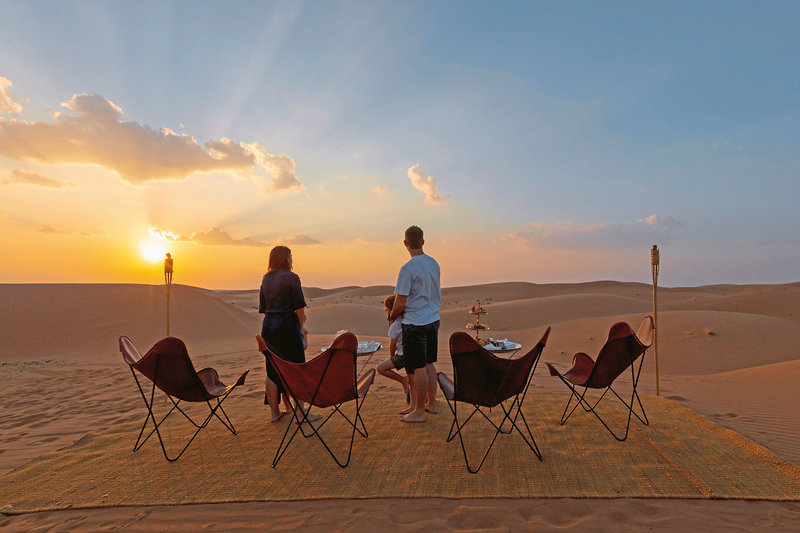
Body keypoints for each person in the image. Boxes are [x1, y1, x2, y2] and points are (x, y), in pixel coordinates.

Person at [258, 246, 321, 424]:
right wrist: (300, 327)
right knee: (297, 368)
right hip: (286, 326)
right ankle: (300, 414)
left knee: (272, 370)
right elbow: (299, 307)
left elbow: (263, 307)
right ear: (286, 258)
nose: (292, 259)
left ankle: (275, 413)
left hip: (268, 327)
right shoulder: (292, 277)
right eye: (290, 256)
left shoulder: (266, 278)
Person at [389, 225, 441, 423]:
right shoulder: (434, 263)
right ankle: (431, 404)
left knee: (418, 367)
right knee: (429, 364)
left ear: (405, 243)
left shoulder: (407, 269)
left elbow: (399, 301)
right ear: (423, 241)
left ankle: (419, 411)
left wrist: (392, 316)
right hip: (433, 320)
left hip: (415, 323)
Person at [376, 295, 412, 407]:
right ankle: (413, 396)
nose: (385, 310)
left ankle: (403, 380)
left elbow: (392, 345)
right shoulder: (408, 318)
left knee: (380, 368)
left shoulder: (395, 325)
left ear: (391, 309)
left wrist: (392, 357)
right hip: (413, 352)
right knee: (412, 375)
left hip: (402, 355)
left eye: (386, 308)